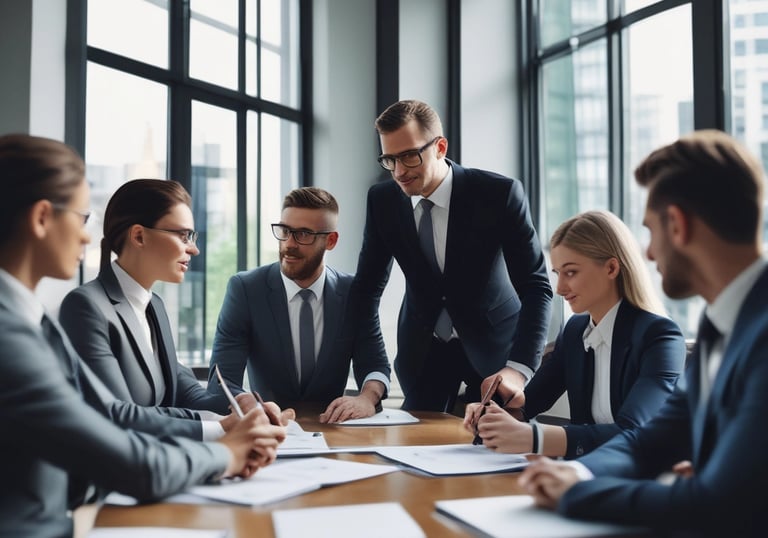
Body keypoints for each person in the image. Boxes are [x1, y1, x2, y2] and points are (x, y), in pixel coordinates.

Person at [0, 133, 285, 536]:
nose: (87, 236)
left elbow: (170, 390)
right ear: (42, 217)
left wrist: (236, 408)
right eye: (82, 218)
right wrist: (226, 447)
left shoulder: (35, 320)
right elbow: (117, 429)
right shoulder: (22, 330)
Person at [519, 130, 768, 537]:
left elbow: (721, 503)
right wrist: (578, 474)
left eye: (651, 231)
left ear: (678, 225)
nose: (649, 254)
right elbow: (647, 442)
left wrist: (575, 494)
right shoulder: (719, 323)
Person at [352, 99, 553, 412]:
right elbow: (365, 291)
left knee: (495, 452)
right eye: (390, 160)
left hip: (496, 355)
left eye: (409, 156)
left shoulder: (498, 194)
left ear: (440, 147)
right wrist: (370, 383)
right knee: (411, 450)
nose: (400, 171)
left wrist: (520, 367)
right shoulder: (382, 200)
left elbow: (536, 286)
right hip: (422, 354)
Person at [464, 210, 686, 458]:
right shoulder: (575, 330)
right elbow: (529, 403)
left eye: (571, 272)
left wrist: (533, 437)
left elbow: (633, 432)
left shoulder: (660, 337)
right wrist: (493, 417)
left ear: (612, 267)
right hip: (584, 473)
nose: (559, 289)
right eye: (558, 274)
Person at [209, 187, 391, 423]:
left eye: (304, 234)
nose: (289, 244)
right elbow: (221, 378)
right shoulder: (245, 289)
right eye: (285, 231)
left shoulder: (354, 293)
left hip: (334, 430)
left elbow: (376, 366)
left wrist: (366, 398)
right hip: (268, 429)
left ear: (331, 240)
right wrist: (248, 403)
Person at [60, 179, 233, 418]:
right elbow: (119, 414)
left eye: (192, 237)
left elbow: (186, 391)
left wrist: (241, 408)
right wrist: (218, 425)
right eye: (184, 236)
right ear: (139, 236)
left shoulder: (155, 306)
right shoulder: (86, 306)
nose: (194, 249)